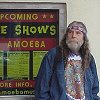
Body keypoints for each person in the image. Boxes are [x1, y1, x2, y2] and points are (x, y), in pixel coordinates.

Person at [35, 21, 100, 100]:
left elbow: (94, 89)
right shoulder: (53, 55)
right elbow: (42, 88)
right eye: (70, 32)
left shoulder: (89, 58)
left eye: (78, 33)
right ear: (66, 36)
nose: (73, 36)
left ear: (84, 38)